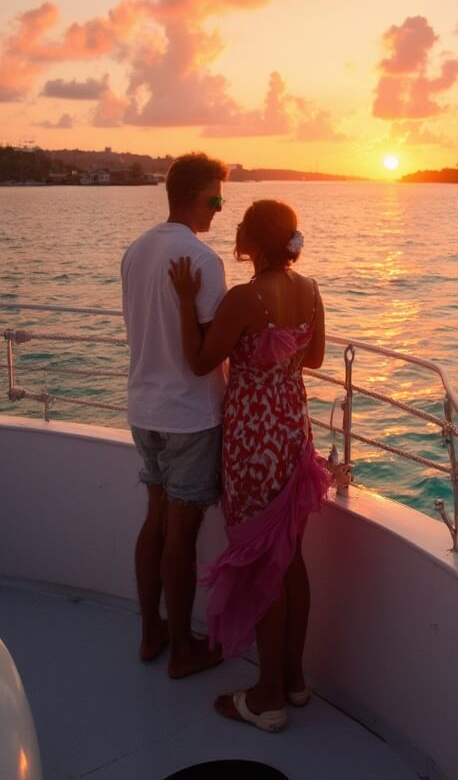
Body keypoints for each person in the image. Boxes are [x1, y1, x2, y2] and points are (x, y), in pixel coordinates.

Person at [168, 198, 329, 733]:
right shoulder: (310, 291)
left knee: (263, 565)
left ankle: (267, 699)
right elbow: (315, 359)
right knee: (291, 558)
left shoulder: (244, 298)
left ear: (252, 241)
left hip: (252, 441)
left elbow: (198, 362)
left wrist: (189, 303)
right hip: (292, 432)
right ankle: (295, 682)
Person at [121, 152, 229, 679]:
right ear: (194, 196)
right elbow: (205, 350)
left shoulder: (136, 251)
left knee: (156, 520)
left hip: (144, 406)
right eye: (216, 198)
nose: (220, 208)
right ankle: (183, 648)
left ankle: (148, 633)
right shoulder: (202, 260)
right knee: (180, 536)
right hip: (189, 413)